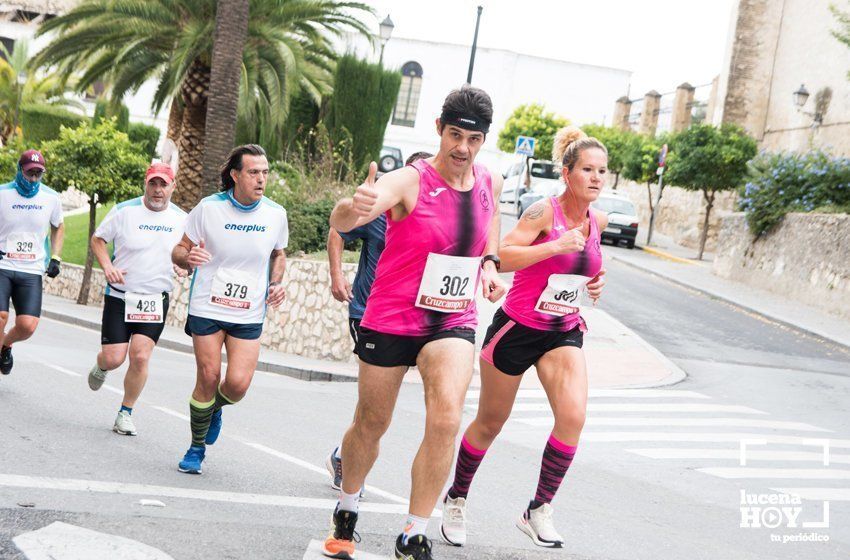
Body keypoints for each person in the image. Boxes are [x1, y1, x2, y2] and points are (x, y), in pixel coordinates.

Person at [321, 86, 506, 560]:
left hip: (453, 319)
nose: (462, 147)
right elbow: (343, 220)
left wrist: (488, 261)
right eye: (455, 134)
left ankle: (413, 532)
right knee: (371, 422)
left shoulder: (489, 181)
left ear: (483, 141)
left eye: (474, 138)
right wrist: (353, 205)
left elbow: (491, 223)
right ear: (439, 130)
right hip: (392, 317)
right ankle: (347, 506)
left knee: (446, 418)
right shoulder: (409, 180)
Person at [439, 126, 608, 549]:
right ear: (567, 173)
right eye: (587, 169)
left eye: (602, 171)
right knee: (491, 422)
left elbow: (586, 269)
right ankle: (457, 498)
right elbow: (503, 255)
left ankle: (538, 509)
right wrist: (552, 248)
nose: (596, 178)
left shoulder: (597, 221)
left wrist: (595, 284)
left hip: (562, 331)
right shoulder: (541, 213)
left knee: (573, 417)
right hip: (517, 330)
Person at [171, 144, 288, 474]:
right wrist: (187, 258)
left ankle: (214, 409)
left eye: (265, 172)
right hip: (208, 305)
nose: (261, 179)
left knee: (237, 384)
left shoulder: (275, 214)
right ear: (235, 175)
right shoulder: (209, 209)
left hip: (248, 311)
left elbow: (278, 254)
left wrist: (276, 283)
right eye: (253, 172)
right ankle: (196, 447)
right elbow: (179, 250)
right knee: (209, 376)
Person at [325, 151, 433, 491]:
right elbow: (338, 231)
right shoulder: (382, 212)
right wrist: (336, 275)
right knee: (371, 398)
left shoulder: (435, 214)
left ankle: (346, 451)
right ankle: (345, 455)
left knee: (377, 402)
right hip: (370, 312)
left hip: (415, 317)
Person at [86, 162, 187, 436]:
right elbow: (98, 240)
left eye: (163, 185)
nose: (157, 190)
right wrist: (108, 266)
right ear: (145, 184)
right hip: (120, 296)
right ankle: (102, 364)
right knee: (115, 357)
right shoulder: (124, 211)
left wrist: (184, 266)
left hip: (155, 299)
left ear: (173, 187)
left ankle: (125, 413)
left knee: (140, 357)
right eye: (153, 183)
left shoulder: (182, 220)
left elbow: (189, 255)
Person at [0, 150, 64, 376]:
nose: (34, 179)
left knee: (28, 325)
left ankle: (6, 346)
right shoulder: (3, 194)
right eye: (30, 173)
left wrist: (55, 256)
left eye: (38, 174)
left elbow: (58, 226)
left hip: (31, 269)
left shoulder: (51, 197)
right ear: (20, 170)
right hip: (2, 266)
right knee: (1, 316)